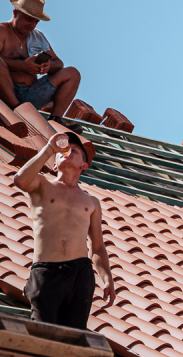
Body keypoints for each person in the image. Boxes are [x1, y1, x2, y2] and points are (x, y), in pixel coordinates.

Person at [13, 128, 115, 328]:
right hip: (47, 270)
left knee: (73, 335)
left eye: (74, 150)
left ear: (84, 165)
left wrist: (107, 278)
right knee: (43, 333)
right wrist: (49, 149)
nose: (68, 152)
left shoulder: (91, 202)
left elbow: (97, 247)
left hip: (80, 272)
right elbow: (20, 180)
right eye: (62, 151)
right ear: (54, 164)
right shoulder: (42, 185)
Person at [1, 0, 81, 118]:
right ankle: (18, 111)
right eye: (29, 19)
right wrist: (22, 66)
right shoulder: (2, 30)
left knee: (72, 73)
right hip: (6, 93)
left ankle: (55, 120)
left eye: (36, 22)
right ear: (15, 13)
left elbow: (58, 63)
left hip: (32, 94)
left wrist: (47, 66)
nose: (32, 25)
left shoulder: (37, 36)